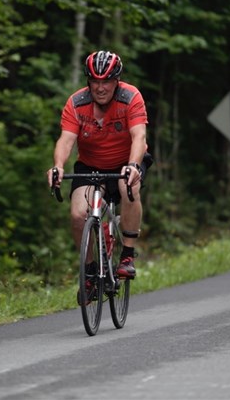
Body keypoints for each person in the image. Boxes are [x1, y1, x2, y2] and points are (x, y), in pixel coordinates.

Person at [46, 50, 150, 285]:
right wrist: (58, 166)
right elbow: (66, 140)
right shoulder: (76, 103)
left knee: (127, 185)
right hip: (90, 165)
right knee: (77, 215)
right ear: (88, 81)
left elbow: (139, 136)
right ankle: (90, 269)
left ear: (117, 81)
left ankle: (127, 255)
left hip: (127, 161)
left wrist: (133, 166)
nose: (100, 88)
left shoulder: (130, 97)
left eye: (106, 81)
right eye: (95, 81)